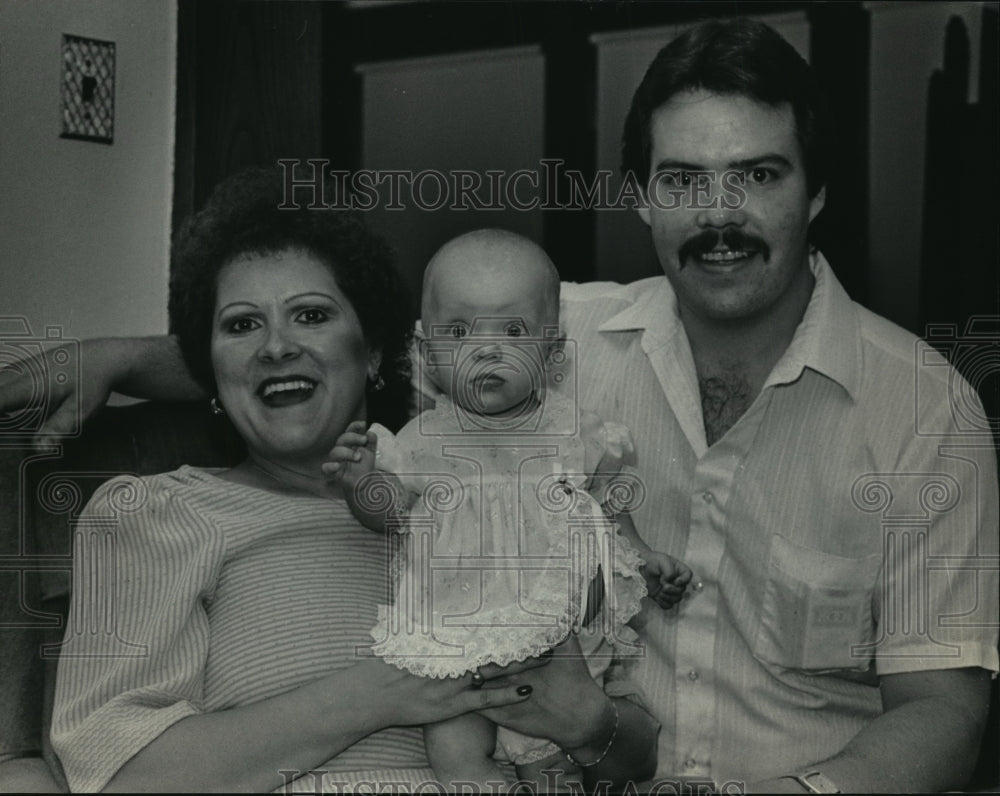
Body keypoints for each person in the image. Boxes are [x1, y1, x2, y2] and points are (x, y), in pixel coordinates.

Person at [1, 16, 997, 793]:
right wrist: (125, 354)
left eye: (758, 176)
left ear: (816, 190)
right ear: (640, 198)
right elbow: (339, 350)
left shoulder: (924, 414)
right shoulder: (547, 344)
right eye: (683, 179)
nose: (719, 214)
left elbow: (943, 712)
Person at [32, 168, 659, 793]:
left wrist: (587, 722)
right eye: (242, 324)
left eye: (310, 314)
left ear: (377, 352)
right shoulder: (158, 512)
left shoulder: (494, 500)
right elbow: (120, 778)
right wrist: (380, 693)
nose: (277, 346)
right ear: (210, 372)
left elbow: (634, 761)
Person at [324, 228, 691, 790]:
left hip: (555, 637)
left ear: (552, 351)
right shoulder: (423, 439)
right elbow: (393, 516)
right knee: (454, 749)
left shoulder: (577, 434)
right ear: (426, 352)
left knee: (551, 759)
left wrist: (644, 559)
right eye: (459, 330)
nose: (486, 350)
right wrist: (361, 486)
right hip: (457, 635)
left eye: (514, 330)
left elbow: (608, 515)